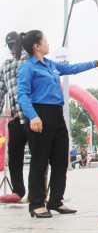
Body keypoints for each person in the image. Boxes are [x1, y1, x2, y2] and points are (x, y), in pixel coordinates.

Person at [16, 30, 98, 218]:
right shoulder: (27, 68)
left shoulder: (50, 65)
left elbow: (72, 69)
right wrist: (33, 116)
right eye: (45, 41)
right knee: (40, 161)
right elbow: (22, 95)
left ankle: (56, 200)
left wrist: (95, 63)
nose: (48, 44)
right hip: (39, 115)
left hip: (57, 116)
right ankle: (36, 203)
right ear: (36, 46)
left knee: (60, 160)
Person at [0, 31, 29, 202]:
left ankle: (35, 192)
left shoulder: (30, 61)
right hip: (16, 117)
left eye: (14, 45)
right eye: (9, 46)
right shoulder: (6, 65)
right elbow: (1, 91)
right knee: (15, 155)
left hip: (33, 116)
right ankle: (18, 191)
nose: (12, 48)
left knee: (39, 155)